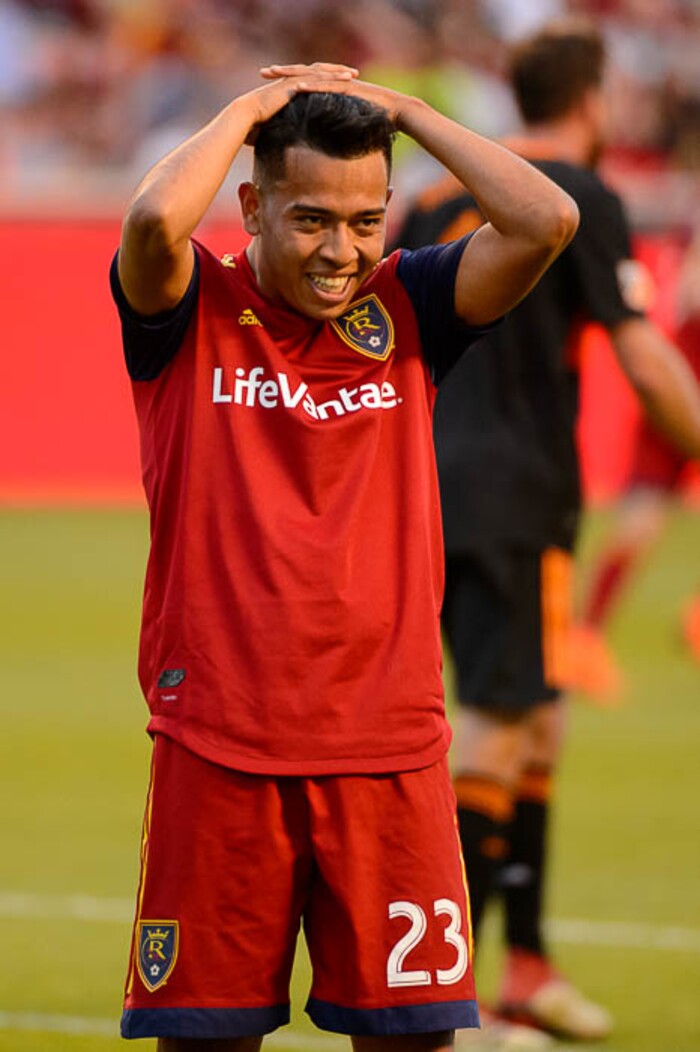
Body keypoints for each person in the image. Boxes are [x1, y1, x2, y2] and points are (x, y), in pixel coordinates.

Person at [110, 61, 578, 1052]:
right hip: (221, 743)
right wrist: (246, 108)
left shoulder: (413, 308)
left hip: (389, 750)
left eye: (365, 221)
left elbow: (545, 222)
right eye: (312, 219)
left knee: (411, 1038)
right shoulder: (189, 310)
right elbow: (152, 224)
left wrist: (404, 111)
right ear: (252, 204)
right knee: (208, 1036)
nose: (342, 251)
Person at [393, 19, 700, 1048]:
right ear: (591, 98)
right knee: (494, 722)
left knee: (534, 719)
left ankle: (526, 964)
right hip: (516, 494)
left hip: (431, 488)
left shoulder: (435, 198)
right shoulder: (581, 195)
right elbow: (647, 360)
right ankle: (456, 999)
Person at [573, 227, 700, 699]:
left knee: (642, 518)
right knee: (641, 519)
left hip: (681, 378)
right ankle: (585, 638)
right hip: (680, 387)